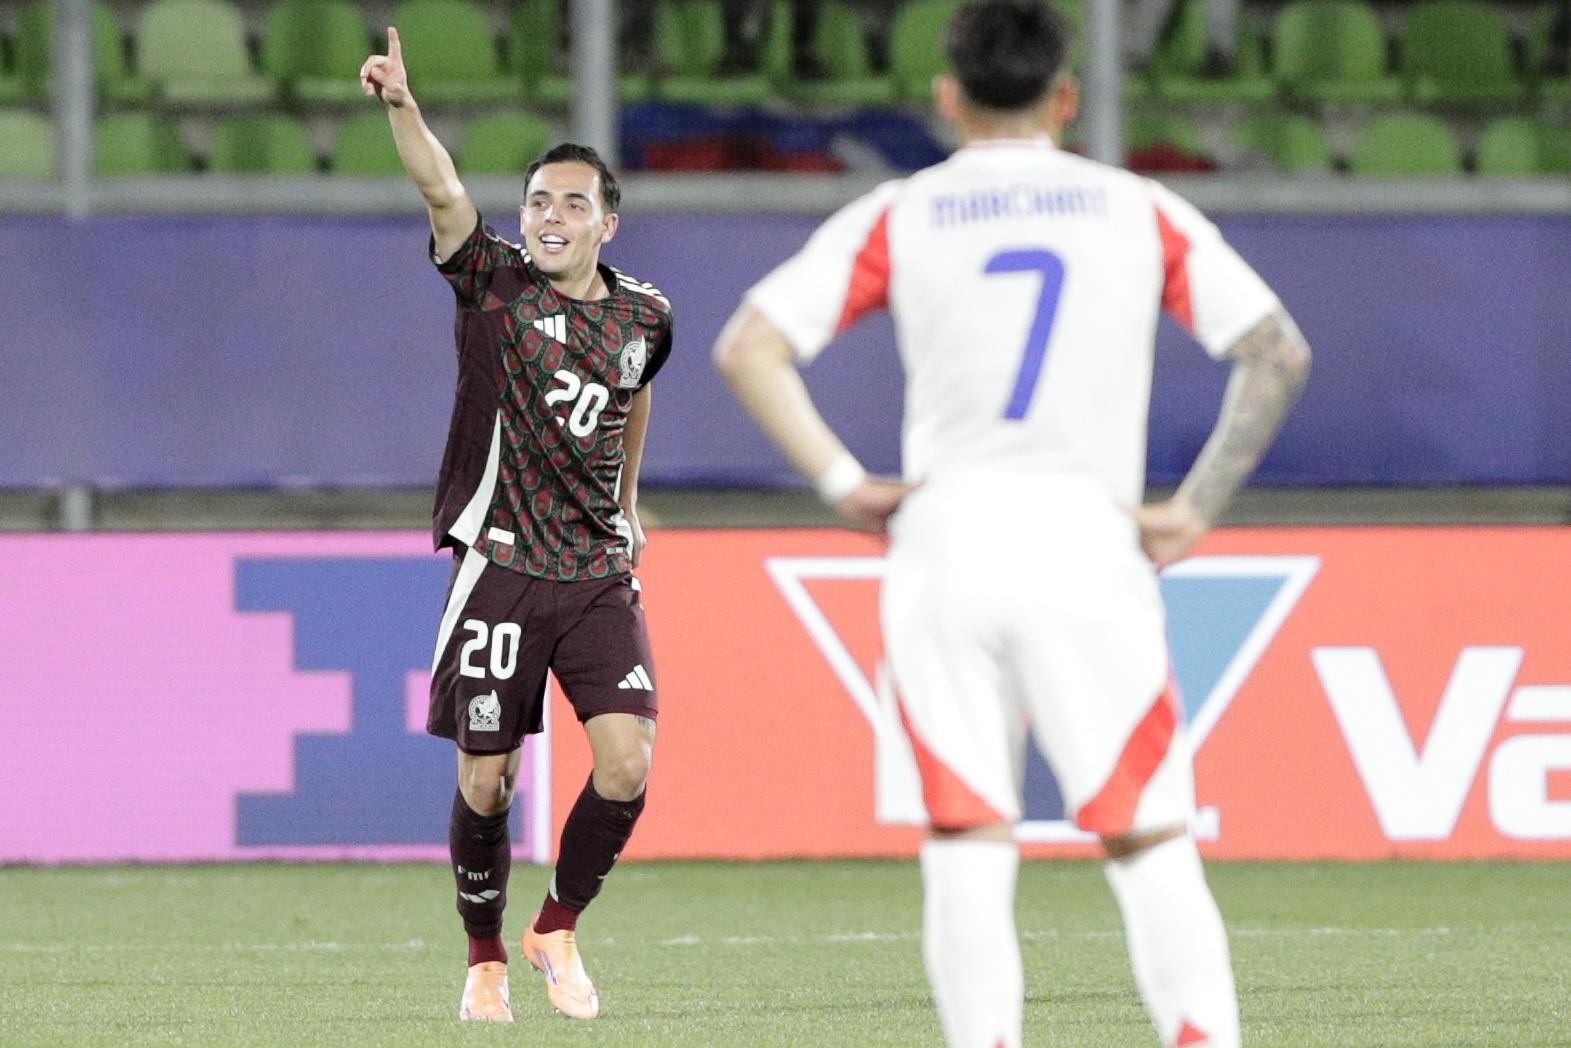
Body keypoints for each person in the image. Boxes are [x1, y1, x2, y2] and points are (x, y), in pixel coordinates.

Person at [712, 2, 1309, 1046]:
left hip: (946, 539)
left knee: (966, 836)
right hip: (1085, 537)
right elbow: (1275, 351)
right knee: (1147, 832)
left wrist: (846, 482)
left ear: (946, 98)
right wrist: (1192, 510)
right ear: (1065, 98)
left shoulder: (903, 213)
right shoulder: (1134, 209)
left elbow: (748, 346)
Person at [360, 27, 673, 1025]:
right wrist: (404, 109)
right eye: (538, 199)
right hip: (496, 564)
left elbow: (634, 394)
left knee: (627, 761)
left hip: (591, 571)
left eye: (572, 203)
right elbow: (443, 194)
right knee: (487, 783)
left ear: (606, 225)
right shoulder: (492, 285)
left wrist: (627, 502)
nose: (549, 216)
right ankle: (484, 957)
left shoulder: (646, 318)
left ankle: (557, 925)